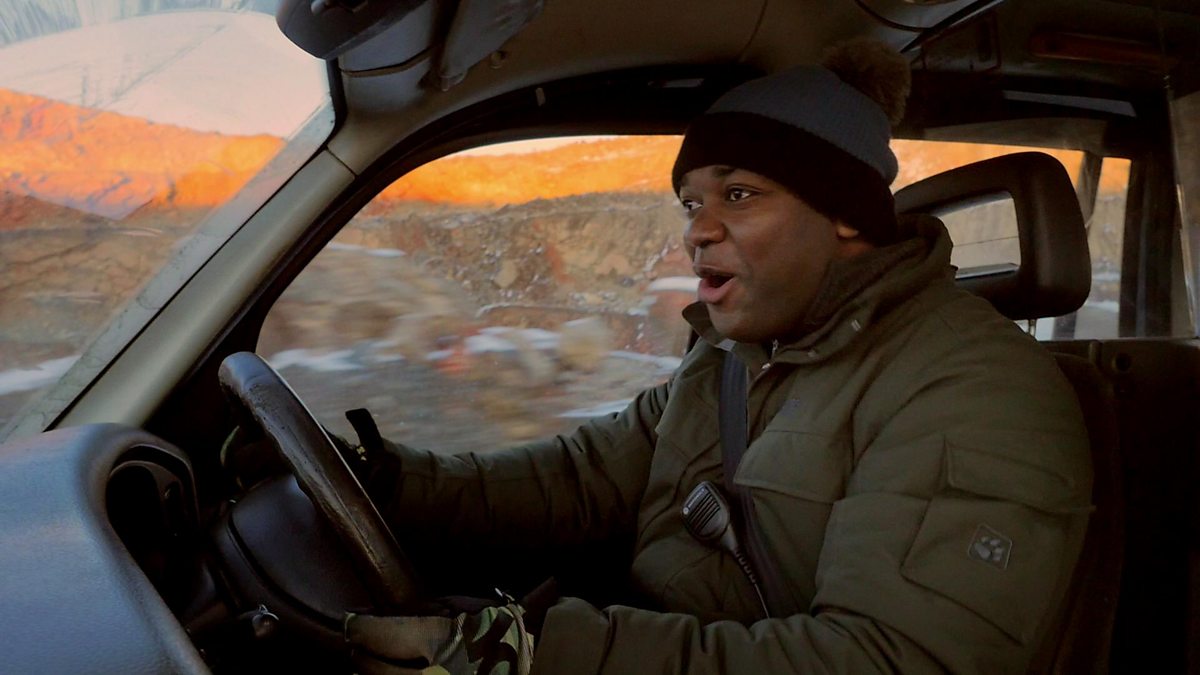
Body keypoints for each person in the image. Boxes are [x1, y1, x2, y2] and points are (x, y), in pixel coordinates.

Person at [339, 40, 1093, 674]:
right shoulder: (733, 355)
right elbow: (583, 476)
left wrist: (544, 654)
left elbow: (887, 660)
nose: (698, 230)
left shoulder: (974, 389)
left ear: (843, 213)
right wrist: (389, 483)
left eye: (739, 195)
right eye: (692, 203)